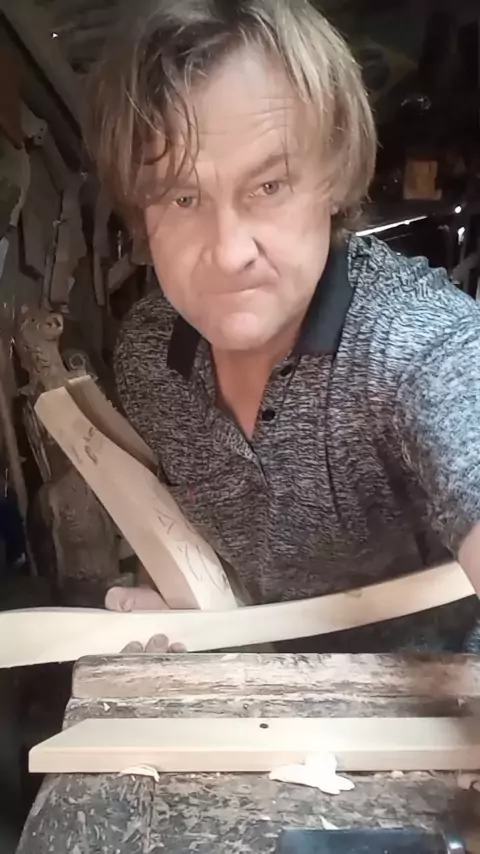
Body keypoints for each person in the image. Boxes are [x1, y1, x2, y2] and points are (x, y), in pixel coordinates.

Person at [86, 0, 480, 652]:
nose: (228, 252)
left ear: (334, 179)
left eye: (267, 186)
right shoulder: (151, 358)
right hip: (270, 702)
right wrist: (207, 612)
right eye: (184, 198)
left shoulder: (416, 348)